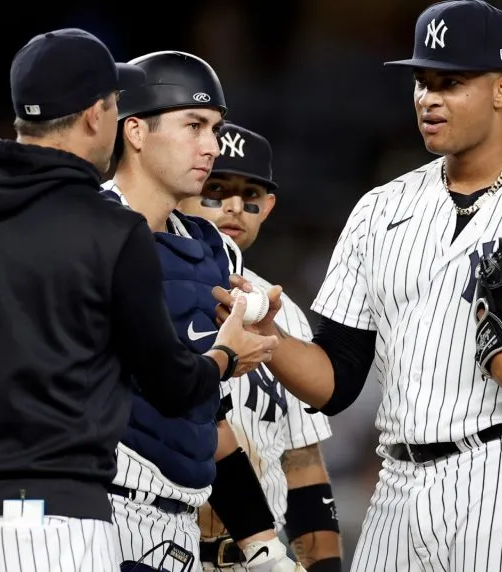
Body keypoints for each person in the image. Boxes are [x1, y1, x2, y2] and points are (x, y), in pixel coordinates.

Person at [0, 28, 271, 572]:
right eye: (117, 106)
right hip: (49, 521)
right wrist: (226, 355)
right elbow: (172, 386)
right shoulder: (111, 228)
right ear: (97, 115)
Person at [215, 2, 502, 570]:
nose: (428, 98)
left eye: (451, 82)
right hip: (396, 484)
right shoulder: (381, 208)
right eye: (422, 82)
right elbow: (337, 379)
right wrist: (271, 339)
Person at [99, 51, 299, 572]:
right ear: (136, 132)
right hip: (96, 515)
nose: (212, 146)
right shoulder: (83, 227)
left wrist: (262, 544)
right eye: (194, 126)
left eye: (214, 128)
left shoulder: (209, 248)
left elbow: (208, 416)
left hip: (180, 528)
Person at [177, 122, 342, 571]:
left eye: (250, 194)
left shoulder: (284, 314)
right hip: (161, 547)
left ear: (267, 207)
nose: (234, 206)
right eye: (216, 188)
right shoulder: (152, 284)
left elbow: (303, 464)